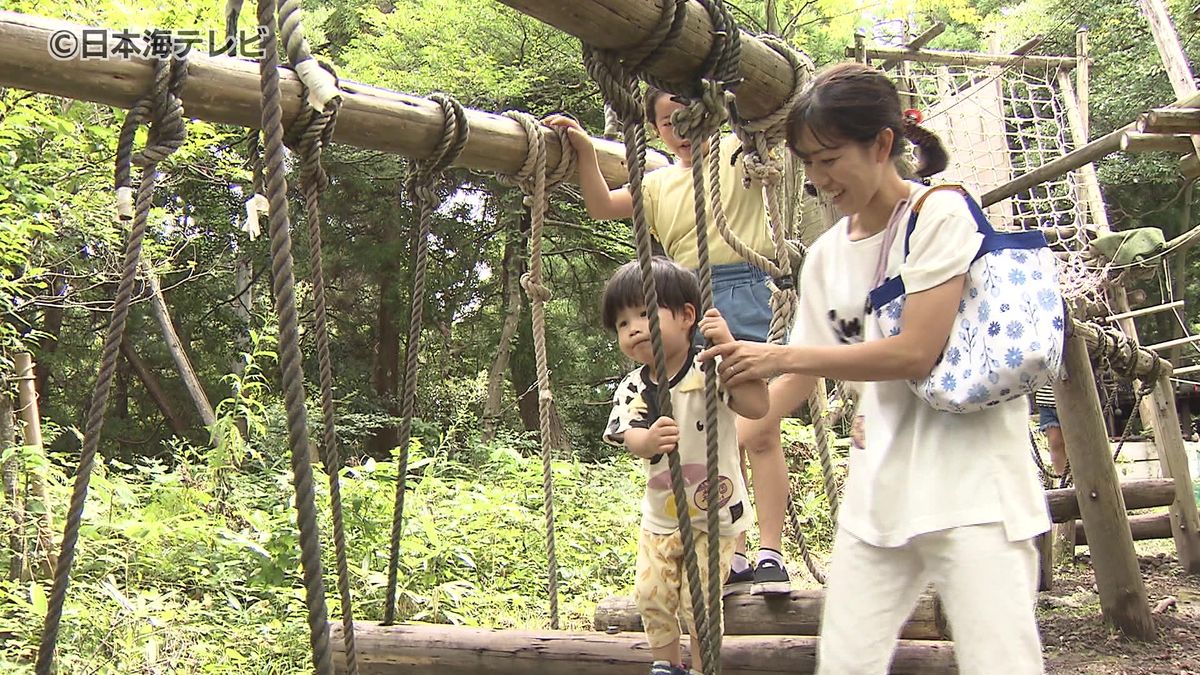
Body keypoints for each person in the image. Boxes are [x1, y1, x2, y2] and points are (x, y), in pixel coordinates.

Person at [700, 62, 1050, 674]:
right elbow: (796, 383)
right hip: (879, 498)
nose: (818, 178)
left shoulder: (941, 214)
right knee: (844, 664)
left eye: (829, 158)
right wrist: (735, 410)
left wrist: (779, 354)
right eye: (807, 162)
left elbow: (916, 350)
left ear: (883, 144)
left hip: (974, 494)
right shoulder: (827, 256)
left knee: (1002, 664)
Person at [545, 89, 792, 595]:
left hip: (749, 285)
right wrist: (588, 151)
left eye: (685, 112)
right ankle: (734, 550)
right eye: (664, 120)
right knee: (714, 428)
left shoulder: (738, 150)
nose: (677, 125)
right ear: (656, 130)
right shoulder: (657, 185)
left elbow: (762, 114)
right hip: (685, 302)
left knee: (758, 429)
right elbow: (601, 205)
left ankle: (771, 550)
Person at [602, 257, 768, 675]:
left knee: (702, 602)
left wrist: (727, 346)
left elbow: (756, 405)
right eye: (622, 323)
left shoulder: (708, 368)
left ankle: (701, 667)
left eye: (644, 313)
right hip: (661, 517)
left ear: (686, 316)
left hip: (713, 515)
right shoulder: (633, 387)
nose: (633, 328)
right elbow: (628, 436)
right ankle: (666, 665)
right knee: (651, 594)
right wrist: (648, 440)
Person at [1034, 385, 1068, 476]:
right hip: (1046, 400)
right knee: (1055, 442)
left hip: (1070, 398)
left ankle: (1080, 478)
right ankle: (1062, 478)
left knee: (1076, 443)